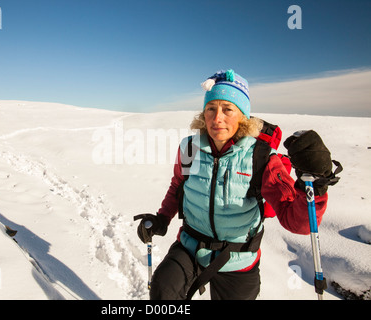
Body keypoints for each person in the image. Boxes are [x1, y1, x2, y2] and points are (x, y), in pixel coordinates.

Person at [135, 69, 338, 300]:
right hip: (190, 246)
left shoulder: (261, 158)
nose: (217, 118)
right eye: (211, 109)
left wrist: (317, 185)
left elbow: (298, 222)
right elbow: (178, 186)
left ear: (242, 116)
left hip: (238, 257)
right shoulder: (189, 148)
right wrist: (162, 218)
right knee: (163, 292)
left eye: (227, 109)